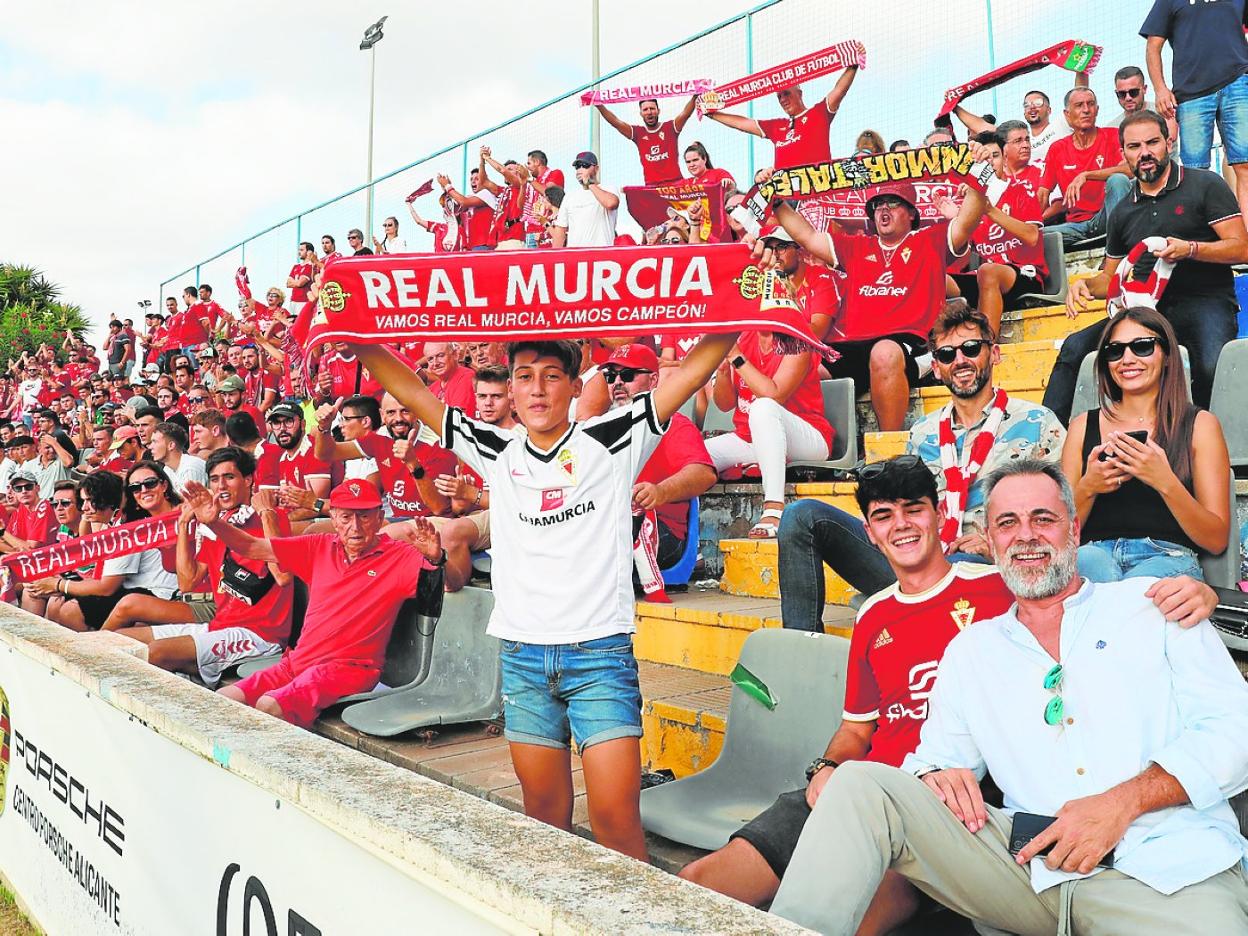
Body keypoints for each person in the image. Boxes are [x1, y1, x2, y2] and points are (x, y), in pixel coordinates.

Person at [770, 459, 1248, 936]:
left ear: (1074, 529)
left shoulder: (1155, 608)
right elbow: (932, 758)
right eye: (1007, 523)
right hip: (1028, 873)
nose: (1026, 536)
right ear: (990, 542)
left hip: (1172, 871)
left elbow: (1236, 731)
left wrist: (1121, 803)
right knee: (861, 786)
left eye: (1043, 518)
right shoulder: (972, 650)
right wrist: (935, 776)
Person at [352, 329, 737, 861]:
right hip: (523, 659)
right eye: (525, 377)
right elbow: (417, 395)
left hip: (599, 656)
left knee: (616, 823)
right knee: (545, 825)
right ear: (509, 389)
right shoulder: (495, 448)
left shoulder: (613, 437)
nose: (537, 390)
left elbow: (691, 372)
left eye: (552, 377)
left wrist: (744, 307)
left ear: (574, 386)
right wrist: (354, 337)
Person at [777, 303, 1064, 629]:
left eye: (971, 348)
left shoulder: (1037, 422)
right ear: (937, 368)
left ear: (994, 354)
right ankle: (802, 658)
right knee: (801, 517)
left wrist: (997, 545)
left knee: (955, 566)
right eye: (946, 355)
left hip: (987, 568)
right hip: (921, 557)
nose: (960, 361)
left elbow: (1062, 513)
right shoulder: (923, 432)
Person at [190, 477, 443, 727]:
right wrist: (214, 523)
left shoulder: (399, 555)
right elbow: (252, 547)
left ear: (379, 518)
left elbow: (447, 586)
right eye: (346, 517)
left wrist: (438, 560)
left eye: (364, 516)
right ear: (333, 518)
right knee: (222, 701)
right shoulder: (320, 545)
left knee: (269, 706)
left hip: (349, 668)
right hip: (298, 662)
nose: (355, 527)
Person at [1046, 111, 1248, 422]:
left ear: (1168, 142)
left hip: (1205, 301)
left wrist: (1190, 249)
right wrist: (1085, 285)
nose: (1145, 153)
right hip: (1146, 312)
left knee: (1212, 365)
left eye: (1152, 142)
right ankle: (1048, 448)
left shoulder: (1205, 184)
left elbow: (1241, 248)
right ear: (1123, 152)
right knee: (1076, 349)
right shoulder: (1123, 210)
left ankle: (1213, 448)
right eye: (1134, 146)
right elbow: (1109, 278)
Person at [765, 159, 990, 430]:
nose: (883, 210)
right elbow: (806, 237)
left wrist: (977, 171)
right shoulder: (857, 246)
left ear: (911, 213)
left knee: (883, 353)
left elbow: (968, 219)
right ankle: (804, 447)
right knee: (798, 366)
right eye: (877, 206)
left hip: (910, 342)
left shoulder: (930, 239)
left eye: (892, 204)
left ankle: (887, 449)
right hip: (851, 346)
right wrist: (776, 201)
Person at [1062, 307, 1231, 583]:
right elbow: (1058, 534)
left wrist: (1164, 480)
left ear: (1166, 355)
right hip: (1092, 553)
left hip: (1166, 557)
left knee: (1132, 596)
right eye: (1115, 350)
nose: (1127, 358)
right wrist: (1088, 487)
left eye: (1142, 347)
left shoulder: (1199, 424)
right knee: (1091, 572)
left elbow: (1216, 539)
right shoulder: (1081, 426)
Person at [99, 448, 294, 685]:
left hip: (261, 635)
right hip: (218, 626)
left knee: (157, 652)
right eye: (214, 479)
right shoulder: (218, 524)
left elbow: (283, 576)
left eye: (229, 477)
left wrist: (266, 512)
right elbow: (187, 582)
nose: (221, 486)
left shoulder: (272, 518)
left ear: (248, 479)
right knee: (117, 640)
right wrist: (183, 525)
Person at [705, 320, 833, 538]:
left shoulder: (797, 340)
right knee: (695, 457)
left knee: (763, 407)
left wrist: (737, 357)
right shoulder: (744, 337)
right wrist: (723, 372)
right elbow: (725, 404)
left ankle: (774, 508)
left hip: (809, 438)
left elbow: (774, 395)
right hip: (753, 439)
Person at [604, 344, 716, 568]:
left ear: (654, 380)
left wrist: (660, 491)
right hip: (613, 526)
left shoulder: (673, 423)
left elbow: (704, 474)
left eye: (627, 375)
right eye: (610, 376)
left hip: (661, 530)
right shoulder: (602, 426)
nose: (617, 382)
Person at [35, 461, 181, 632]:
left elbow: (107, 587)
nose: (85, 508)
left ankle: (93, 652)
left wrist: (58, 585)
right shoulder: (119, 520)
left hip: (156, 594)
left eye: (90, 500)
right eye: (83, 501)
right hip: (136, 590)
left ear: (107, 498)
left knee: (70, 610)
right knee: (63, 604)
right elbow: (88, 550)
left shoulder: (127, 526)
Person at [1144, 0, 1248, 223]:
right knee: (1194, 173)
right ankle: (1203, 240)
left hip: (1238, 82)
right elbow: (1153, 45)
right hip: (1191, 93)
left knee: (1246, 164)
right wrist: (1160, 89)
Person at [941, 129, 1048, 334]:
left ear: (1005, 159)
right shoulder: (969, 202)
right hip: (985, 278)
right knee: (934, 273)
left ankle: (986, 347)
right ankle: (931, 350)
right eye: (984, 159)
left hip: (1025, 274)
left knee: (988, 271)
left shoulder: (1020, 190)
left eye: (995, 156)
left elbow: (1032, 237)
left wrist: (989, 210)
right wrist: (957, 221)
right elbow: (962, 260)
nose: (990, 162)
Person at [707, 59, 862, 172]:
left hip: (815, 193)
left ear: (799, 93)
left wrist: (853, 62)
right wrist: (712, 114)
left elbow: (840, 90)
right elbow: (742, 124)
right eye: (779, 97)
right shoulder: (777, 126)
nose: (783, 100)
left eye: (786, 94)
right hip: (786, 197)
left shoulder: (818, 113)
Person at [1038, 88, 1131, 248]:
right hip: (1075, 227)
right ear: (1067, 114)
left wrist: (1086, 175)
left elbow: (1130, 170)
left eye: (1091, 104)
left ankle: (1117, 249)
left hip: (1106, 218)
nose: (1086, 110)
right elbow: (1043, 192)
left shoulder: (1114, 136)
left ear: (1097, 110)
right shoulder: (1057, 149)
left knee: (1118, 180)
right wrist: (1029, 225)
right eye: (1079, 105)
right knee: (1031, 237)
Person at [595, 96, 698, 185]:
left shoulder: (670, 127)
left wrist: (695, 96)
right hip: (652, 187)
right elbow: (615, 122)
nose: (649, 112)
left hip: (675, 184)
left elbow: (685, 114)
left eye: (652, 108)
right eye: (645, 109)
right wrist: (599, 105)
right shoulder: (637, 133)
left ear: (658, 111)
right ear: (641, 113)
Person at [550, 152, 619, 248]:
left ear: (596, 169)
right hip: (576, 256)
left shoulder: (608, 189)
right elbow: (560, 230)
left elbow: (611, 203)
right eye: (577, 167)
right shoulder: (570, 196)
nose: (580, 170)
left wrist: (590, 184)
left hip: (602, 255)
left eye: (585, 166)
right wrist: (555, 257)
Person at [149, 421, 207, 494]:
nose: (150, 447)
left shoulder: (190, 467)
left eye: (155, 442)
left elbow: (190, 503)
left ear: (171, 445)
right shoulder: (167, 469)